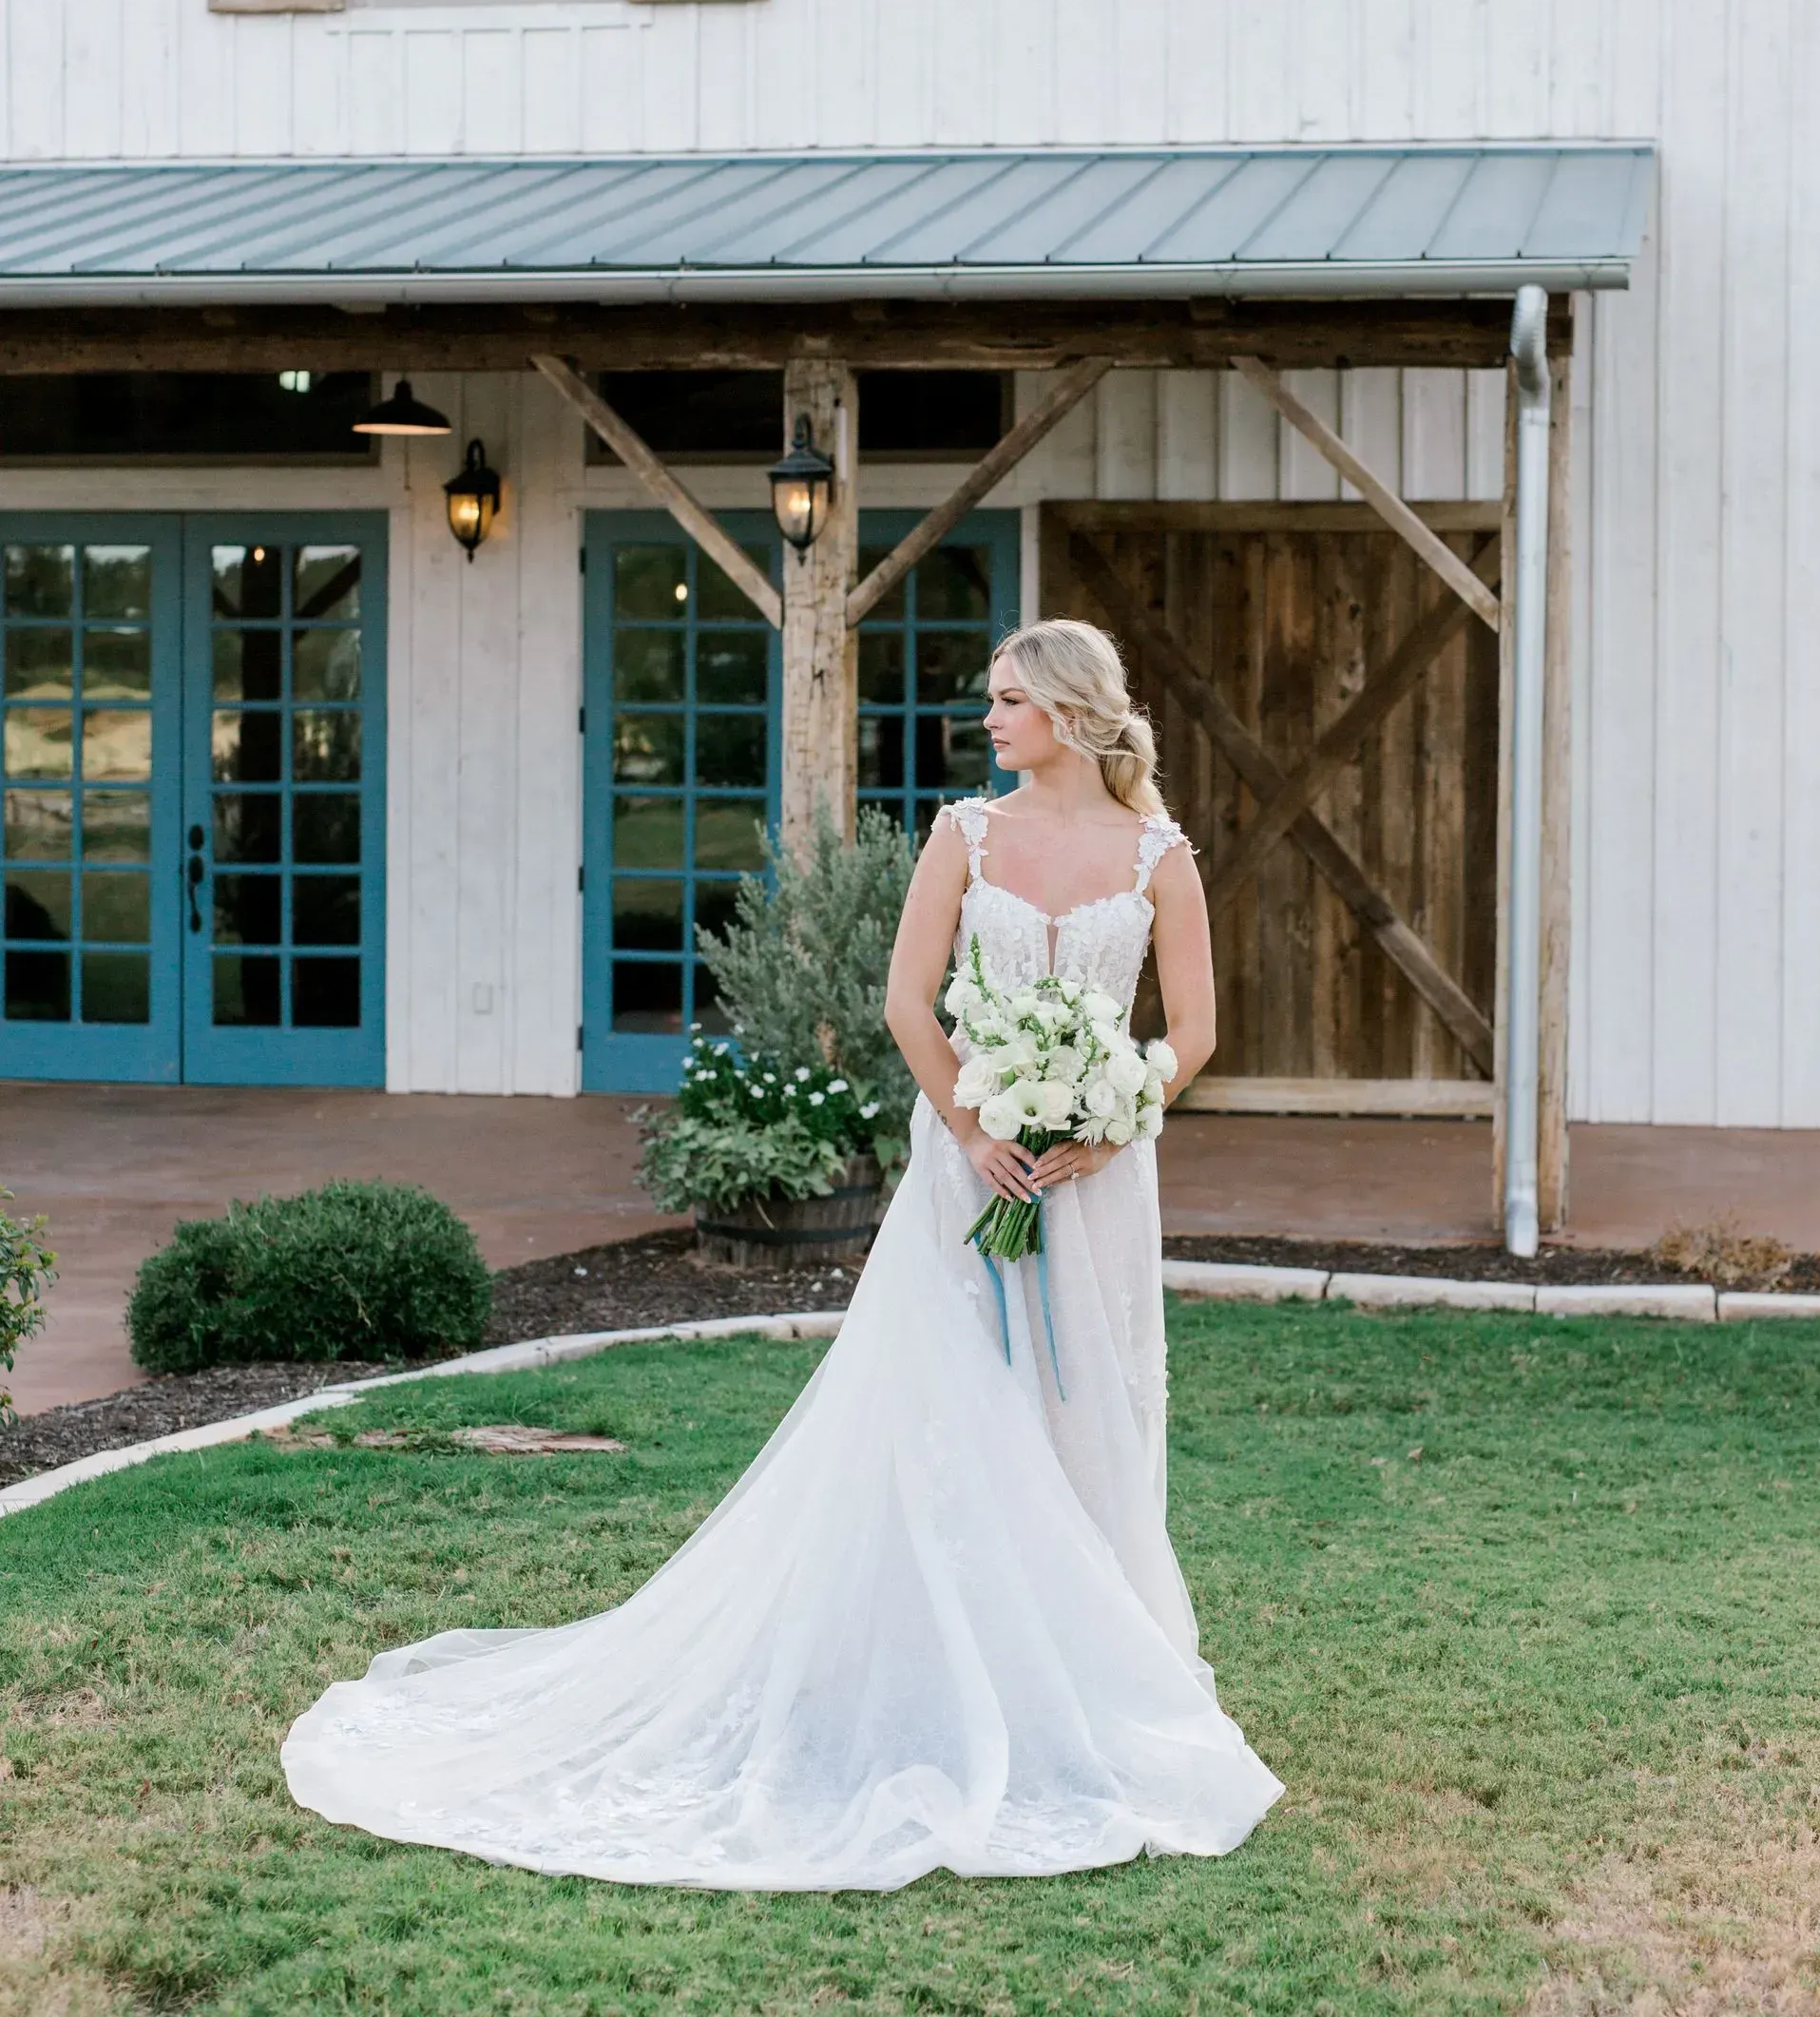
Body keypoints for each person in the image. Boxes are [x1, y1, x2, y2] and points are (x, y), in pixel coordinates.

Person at [282, 618, 1283, 1889]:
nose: (987, 721)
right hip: (965, 1171)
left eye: (1009, 701)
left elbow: (1189, 1029)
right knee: (951, 1407)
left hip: (1095, 1182)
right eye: (989, 701)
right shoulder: (963, 837)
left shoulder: (1159, 856)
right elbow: (906, 1004)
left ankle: (1091, 1679)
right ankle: (928, 1675)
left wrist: (1110, 1114)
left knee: (1090, 1408)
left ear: (1075, 713)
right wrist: (976, 1133)